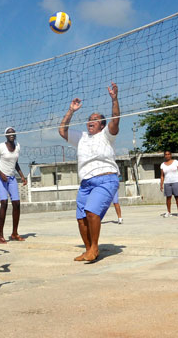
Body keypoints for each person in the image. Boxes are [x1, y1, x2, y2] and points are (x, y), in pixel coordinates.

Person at [59, 82, 120, 262]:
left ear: (102, 125)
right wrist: (71, 110)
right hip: (86, 182)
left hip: (106, 178)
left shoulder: (107, 135)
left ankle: (95, 248)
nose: (90, 121)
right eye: (89, 119)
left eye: (94, 119)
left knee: (92, 212)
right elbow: (62, 130)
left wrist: (114, 99)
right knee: (81, 218)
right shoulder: (82, 137)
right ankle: (88, 250)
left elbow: (115, 119)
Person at [0, 127, 27, 244]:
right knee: (4, 202)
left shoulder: (17, 147)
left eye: (13, 132)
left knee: (16, 203)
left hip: (11, 178)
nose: (12, 134)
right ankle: (0, 235)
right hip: (0, 178)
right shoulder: (1, 146)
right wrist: (1, 174)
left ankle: (14, 233)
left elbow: (15, 163)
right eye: (9, 133)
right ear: (6, 135)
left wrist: (21, 175)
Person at [159, 151, 178, 217]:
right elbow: (162, 175)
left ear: (170, 155)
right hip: (167, 183)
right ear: (164, 156)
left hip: (176, 181)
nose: (167, 156)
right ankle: (168, 212)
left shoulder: (176, 162)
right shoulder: (162, 165)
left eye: (168, 154)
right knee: (168, 198)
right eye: (166, 154)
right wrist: (161, 184)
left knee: (177, 197)